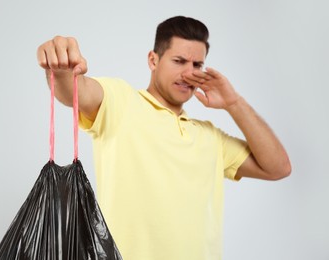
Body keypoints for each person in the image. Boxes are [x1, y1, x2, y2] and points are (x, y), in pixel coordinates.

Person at [37, 16, 291, 260]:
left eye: (197, 65)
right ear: (153, 59)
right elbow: (74, 91)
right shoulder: (122, 102)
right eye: (179, 61)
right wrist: (61, 70)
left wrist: (233, 102)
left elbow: (278, 167)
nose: (189, 74)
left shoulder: (210, 136)